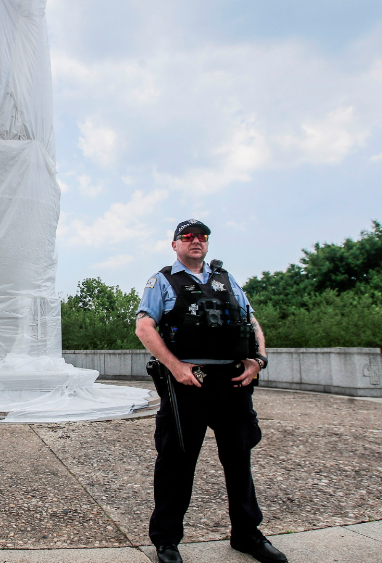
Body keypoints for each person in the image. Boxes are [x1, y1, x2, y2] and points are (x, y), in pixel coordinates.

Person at [135, 220, 287, 563]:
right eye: (187, 236)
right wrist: (176, 367)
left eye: (202, 236)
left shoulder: (227, 279)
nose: (196, 241)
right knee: (176, 463)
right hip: (189, 384)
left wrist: (258, 360)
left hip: (233, 383)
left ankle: (247, 535)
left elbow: (251, 320)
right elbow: (144, 326)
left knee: (239, 460)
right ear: (174, 245)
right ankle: (166, 540)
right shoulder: (161, 281)